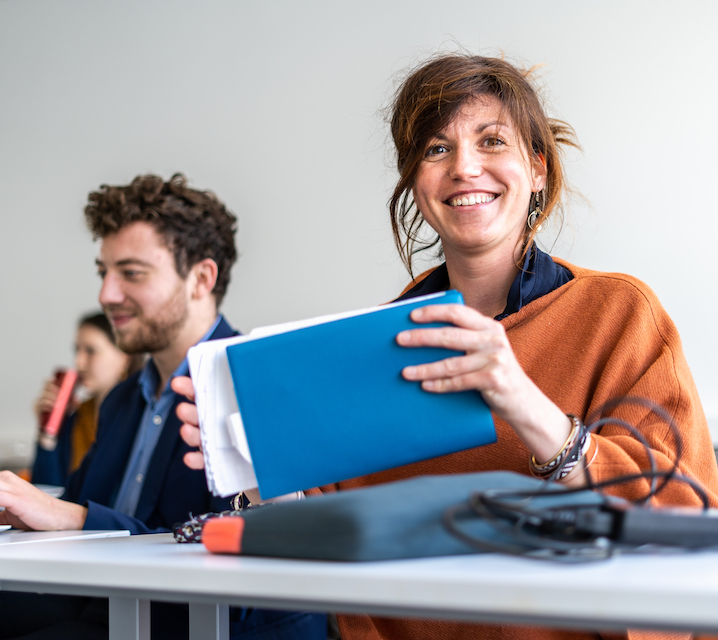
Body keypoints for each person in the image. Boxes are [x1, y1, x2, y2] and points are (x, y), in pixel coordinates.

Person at [176, 54, 718, 640]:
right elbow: (327, 540)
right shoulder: (376, 343)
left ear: (537, 168)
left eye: (491, 141)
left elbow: (679, 522)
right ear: (415, 181)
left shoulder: (619, 313)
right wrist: (255, 466)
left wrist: (521, 401)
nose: (464, 167)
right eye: (437, 149)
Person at [0, 173, 325, 640]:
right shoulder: (124, 401)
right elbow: (63, 516)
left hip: (198, 624)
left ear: (201, 278)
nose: (106, 294)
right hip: (104, 609)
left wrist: (75, 517)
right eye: (103, 273)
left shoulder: (256, 386)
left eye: (131, 273)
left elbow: (233, 543)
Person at [31, 312, 144, 486]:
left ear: (125, 357)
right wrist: (48, 433)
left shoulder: (143, 417)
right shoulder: (77, 418)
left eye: (91, 351)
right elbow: (47, 495)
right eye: (77, 350)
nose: (79, 362)